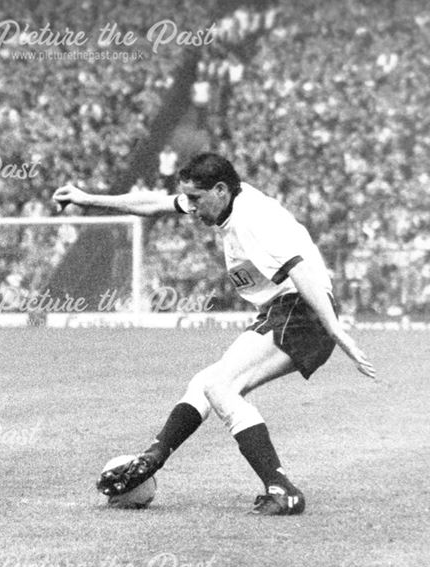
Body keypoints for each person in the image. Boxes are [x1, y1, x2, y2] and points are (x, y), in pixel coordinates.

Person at [52, 153, 376, 515]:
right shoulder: (228, 201)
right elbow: (154, 203)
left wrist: (336, 329)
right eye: (187, 199)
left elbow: (301, 271)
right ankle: (152, 458)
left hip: (302, 311)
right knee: (205, 382)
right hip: (286, 312)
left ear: (220, 190)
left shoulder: (253, 218)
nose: (190, 208)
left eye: (196, 199)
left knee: (221, 387)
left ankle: (283, 490)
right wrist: (89, 199)